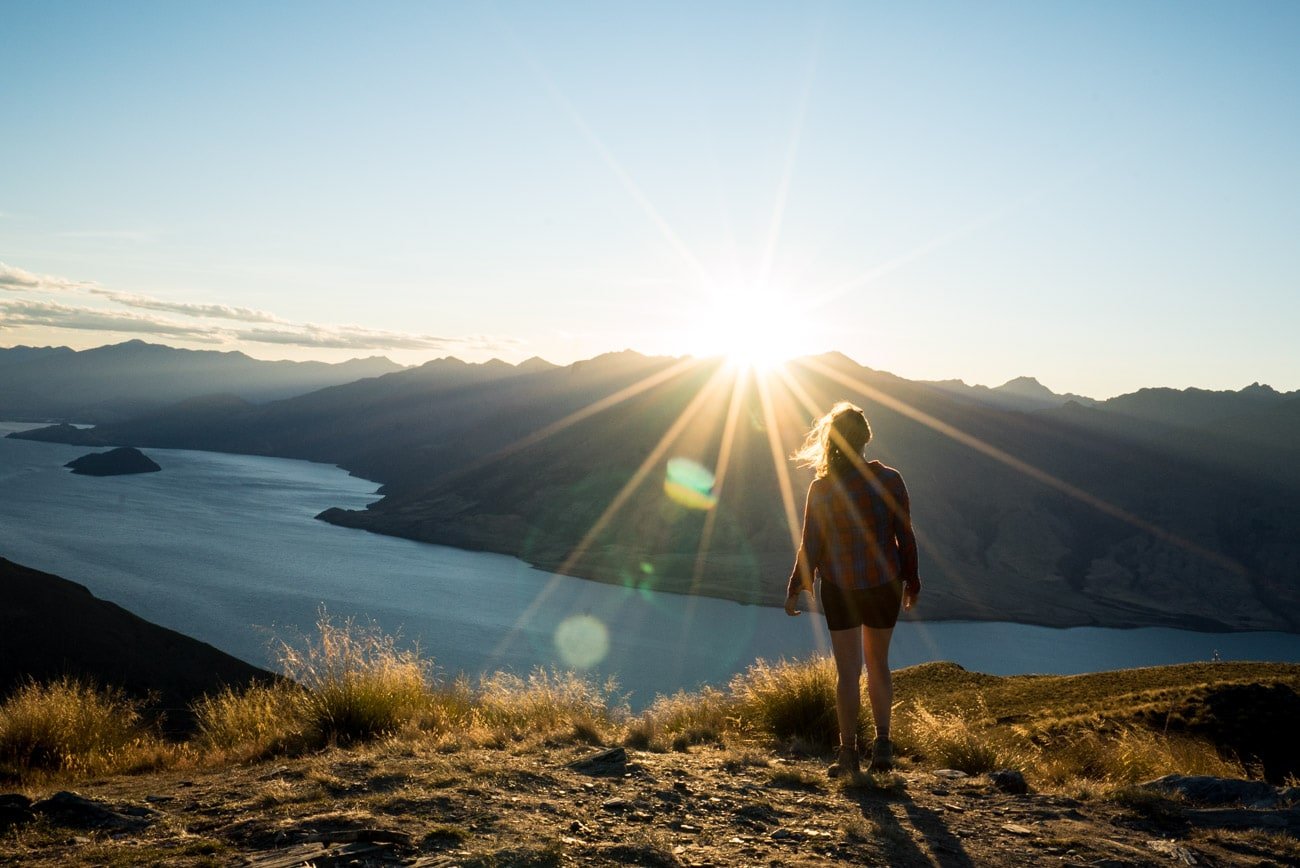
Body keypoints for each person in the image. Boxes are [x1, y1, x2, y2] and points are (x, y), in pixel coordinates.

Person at [784, 401, 921, 777]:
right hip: (884, 585)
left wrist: (796, 586)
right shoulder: (891, 479)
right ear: (866, 439)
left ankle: (848, 754)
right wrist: (912, 580)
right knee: (879, 665)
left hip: (841, 588)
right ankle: (883, 745)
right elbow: (904, 536)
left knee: (848, 673)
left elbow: (810, 543)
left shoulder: (822, 488)